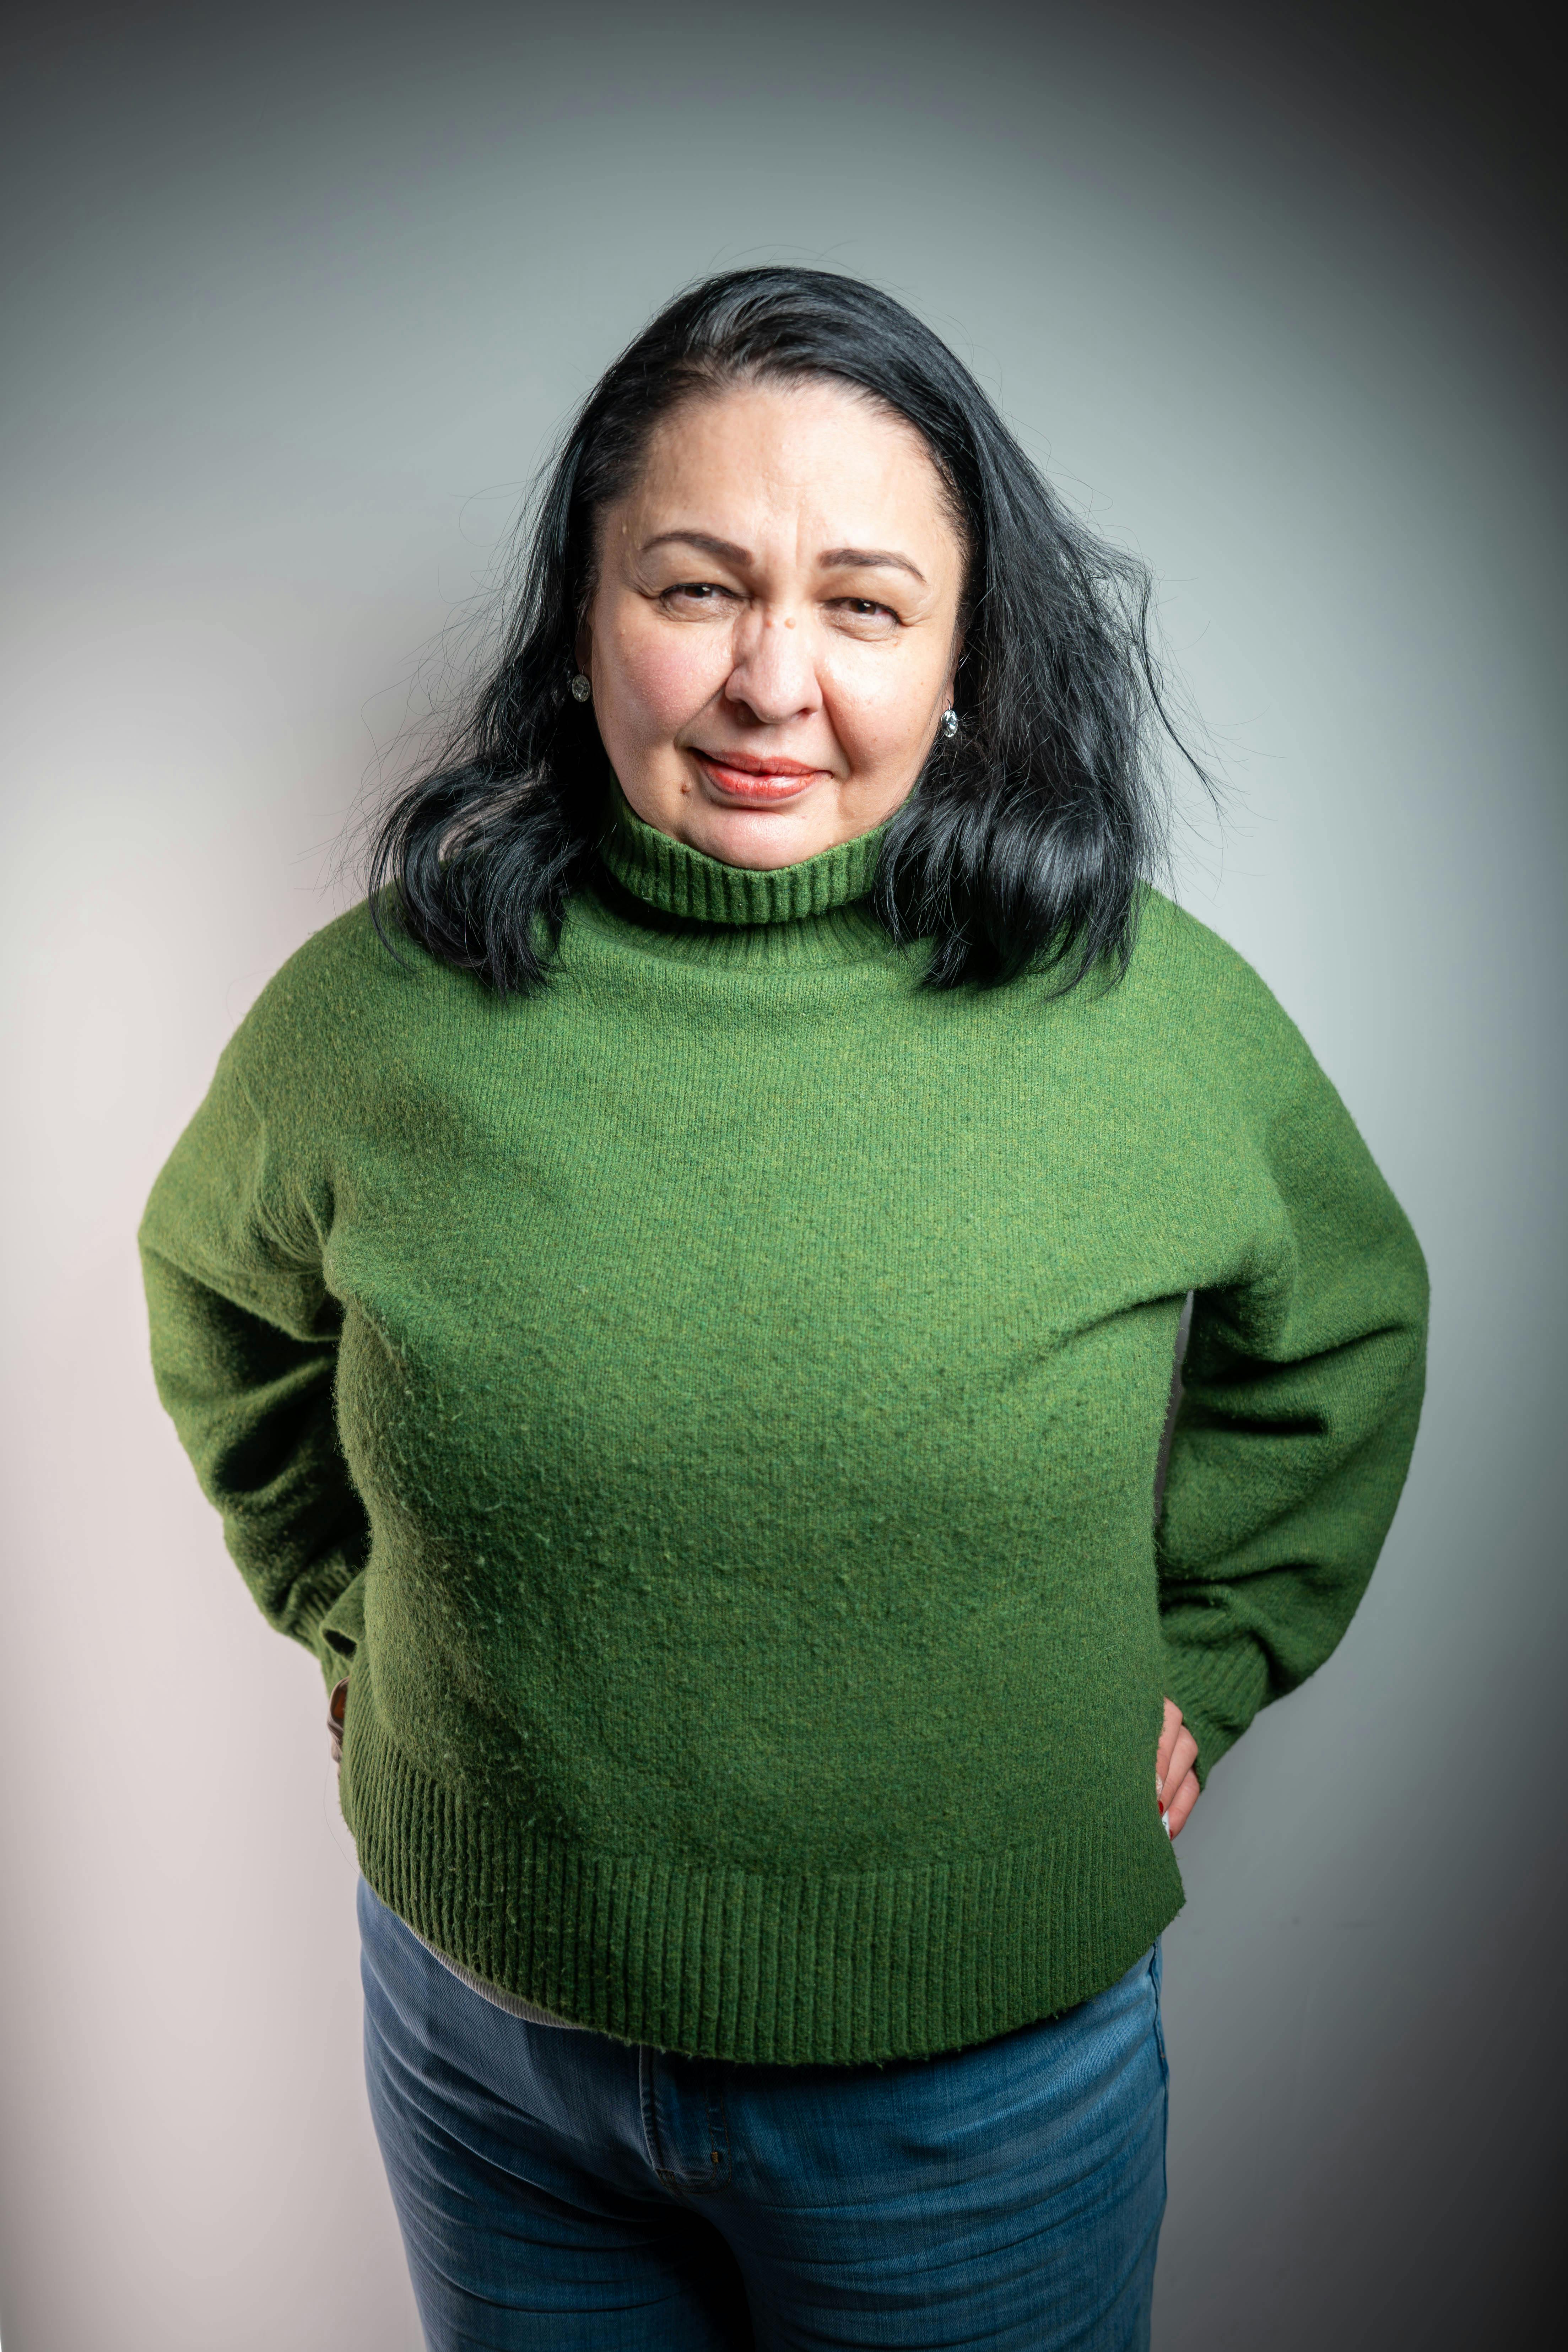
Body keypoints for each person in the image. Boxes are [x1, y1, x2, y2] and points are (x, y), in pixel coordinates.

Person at [138, 267, 1429, 2351]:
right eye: (697, 585)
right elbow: (220, 1297)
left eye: (861, 602)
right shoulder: (375, 1019)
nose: (767, 680)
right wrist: (335, 1600)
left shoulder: (1155, 1025)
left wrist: (1220, 1641)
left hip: (978, 2106)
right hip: (490, 2056)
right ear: (585, 614)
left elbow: (1344, 1332)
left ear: (961, 657)